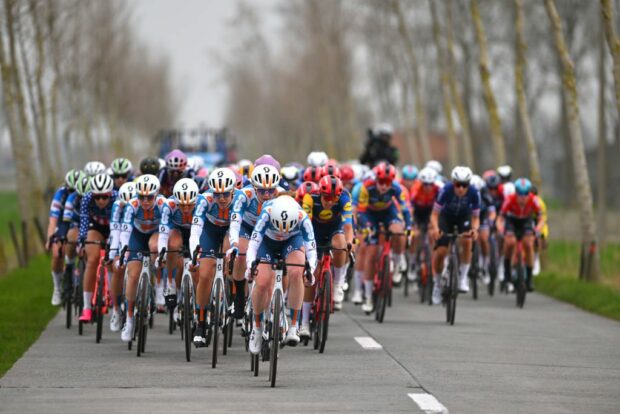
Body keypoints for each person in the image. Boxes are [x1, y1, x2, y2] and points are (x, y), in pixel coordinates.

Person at [246, 195, 317, 353]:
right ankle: (257, 328)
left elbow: (312, 250)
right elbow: (252, 244)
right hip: (267, 242)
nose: (282, 232)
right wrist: (250, 267)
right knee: (263, 281)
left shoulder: (302, 218)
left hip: (292, 241)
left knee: (297, 271)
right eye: (278, 227)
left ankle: (294, 326)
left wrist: (310, 270)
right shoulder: (266, 214)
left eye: (286, 228)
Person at [351, 162, 411, 313]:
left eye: (388, 183)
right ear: (376, 180)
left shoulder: (396, 188)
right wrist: (367, 227)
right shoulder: (366, 187)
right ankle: (369, 297)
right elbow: (361, 212)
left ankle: (397, 265)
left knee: (398, 231)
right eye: (381, 182)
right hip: (369, 214)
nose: (384, 186)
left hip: (388, 212)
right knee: (371, 253)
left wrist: (409, 226)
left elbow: (405, 209)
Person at [301, 175, 353, 336]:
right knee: (312, 276)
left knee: (341, 244)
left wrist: (349, 243)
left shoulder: (344, 198)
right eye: (327, 198)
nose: (330, 202)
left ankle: (337, 284)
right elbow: (304, 225)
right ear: (321, 194)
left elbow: (348, 225)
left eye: (334, 198)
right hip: (314, 232)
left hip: (334, 229)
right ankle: (304, 324)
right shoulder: (310, 198)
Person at [190, 168, 237, 347]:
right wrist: (195, 253)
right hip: (209, 232)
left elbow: (238, 230)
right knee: (204, 275)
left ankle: (232, 291)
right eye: (217, 195)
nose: (222, 199)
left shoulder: (239, 199)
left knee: (230, 251)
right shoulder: (204, 200)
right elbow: (195, 231)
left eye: (225, 194)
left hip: (229, 231)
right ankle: (201, 322)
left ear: (232, 191)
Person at [228, 164, 281, 321]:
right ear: (253, 187)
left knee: (270, 273)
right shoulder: (244, 195)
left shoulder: (280, 198)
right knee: (242, 255)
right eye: (262, 190)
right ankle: (239, 296)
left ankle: (269, 311)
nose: (266, 194)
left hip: (267, 231)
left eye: (271, 190)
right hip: (246, 228)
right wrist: (234, 244)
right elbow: (235, 221)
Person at [118, 174, 167, 342]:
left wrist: (162, 254)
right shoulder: (132, 205)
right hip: (137, 236)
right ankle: (130, 318)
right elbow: (125, 231)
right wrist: (123, 251)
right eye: (141, 197)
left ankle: (158, 282)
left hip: (155, 234)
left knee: (155, 248)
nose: (145, 201)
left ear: (156, 195)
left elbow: (166, 231)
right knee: (132, 275)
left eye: (149, 197)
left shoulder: (162, 205)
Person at [429, 166, 480, 304]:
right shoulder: (445, 190)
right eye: (458, 184)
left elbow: (476, 217)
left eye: (465, 185)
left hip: (464, 217)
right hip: (446, 218)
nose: (461, 189)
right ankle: (437, 284)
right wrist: (435, 228)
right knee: (441, 252)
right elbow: (434, 214)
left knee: (468, 240)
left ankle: (463, 276)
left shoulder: (475, 193)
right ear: (453, 183)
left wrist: (474, 229)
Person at [77, 173, 117, 322]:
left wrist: (114, 244)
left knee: (113, 263)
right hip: (97, 227)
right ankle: (86, 307)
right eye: (97, 197)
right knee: (92, 260)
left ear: (110, 194)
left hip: (115, 228)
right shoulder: (87, 198)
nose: (101, 200)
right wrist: (82, 242)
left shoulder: (117, 198)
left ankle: (115, 300)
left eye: (104, 197)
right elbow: (84, 221)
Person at [495, 178, 544, 292]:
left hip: (526, 221)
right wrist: (501, 229)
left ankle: (529, 278)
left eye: (526, 193)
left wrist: (537, 229)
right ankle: (507, 274)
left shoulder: (534, 200)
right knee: (510, 243)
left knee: (528, 244)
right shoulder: (509, 199)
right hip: (512, 221)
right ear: (516, 193)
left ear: (529, 193)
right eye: (520, 194)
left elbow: (541, 219)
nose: (523, 197)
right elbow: (500, 218)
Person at [46, 169, 83, 305]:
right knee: (57, 253)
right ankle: (57, 288)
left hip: (79, 222)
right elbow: (53, 221)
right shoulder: (60, 194)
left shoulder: (86, 194)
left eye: (76, 191)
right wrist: (51, 237)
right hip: (63, 222)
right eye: (70, 190)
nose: (72, 194)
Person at [107, 182, 136, 331]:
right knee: (117, 267)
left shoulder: (139, 205)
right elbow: (115, 231)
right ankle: (117, 309)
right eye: (126, 205)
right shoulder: (117, 206)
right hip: (121, 236)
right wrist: (114, 253)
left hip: (136, 235)